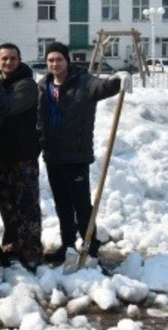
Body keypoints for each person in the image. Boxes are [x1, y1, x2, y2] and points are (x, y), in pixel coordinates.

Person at [38, 42, 131, 264]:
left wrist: (118, 79)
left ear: (67, 61)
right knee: (61, 203)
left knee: (81, 203)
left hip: (76, 155)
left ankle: (90, 244)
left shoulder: (84, 82)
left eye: (59, 59)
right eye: (50, 60)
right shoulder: (43, 86)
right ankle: (68, 244)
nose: (54, 64)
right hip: (52, 155)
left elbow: (104, 88)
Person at [0, 42, 42, 271]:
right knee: (6, 203)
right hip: (0, 155)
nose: (8, 62)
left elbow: (10, 107)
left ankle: (31, 250)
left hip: (23, 155)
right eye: (4, 58)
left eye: (12, 58)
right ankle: (12, 244)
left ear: (19, 60)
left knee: (26, 204)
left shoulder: (27, 85)